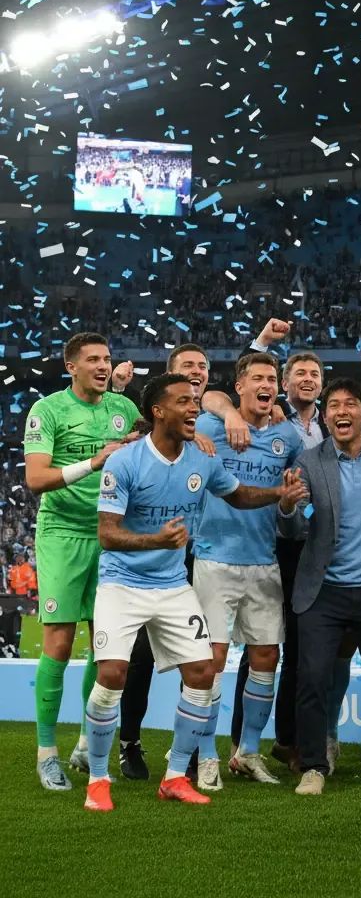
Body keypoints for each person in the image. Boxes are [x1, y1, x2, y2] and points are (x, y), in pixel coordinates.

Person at [82, 373, 305, 811]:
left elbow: (238, 495)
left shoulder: (202, 460)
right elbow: (107, 534)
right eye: (183, 402)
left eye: (195, 402)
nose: (193, 409)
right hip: (123, 583)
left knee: (202, 672)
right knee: (112, 674)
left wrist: (278, 492)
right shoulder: (124, 462)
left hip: (171, 585)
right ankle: (97, 778)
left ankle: (175, 776)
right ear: (157, 411)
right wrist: (156, 540)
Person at [279, 377, 361, 796]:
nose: (341, 411)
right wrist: (288, 508)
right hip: (324, 590)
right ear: (325, 417)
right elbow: (296, 527)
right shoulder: (309, 461)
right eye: (333, 405)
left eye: (350, 404)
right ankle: (314, 765)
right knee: (312, 678)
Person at [23, 332, 141, 791]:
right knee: (58, 642)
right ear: (71, 366)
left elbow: (153, 433)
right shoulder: (48, 410)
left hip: (110, 533)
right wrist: (93, 462)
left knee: (104, 643)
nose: (102, 365)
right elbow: (36, 479)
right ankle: (46, 753)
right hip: (62, 533)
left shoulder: (123, 407)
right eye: (92, 359)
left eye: (107, 358)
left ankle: (86, 744)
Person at [191, 352, 303, 790]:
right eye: (257, 378)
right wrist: (223, 410)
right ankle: (205, 754)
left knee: (266, 657)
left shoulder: (287, 435)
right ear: (239, 386)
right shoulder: (209, 425)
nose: (266, 385)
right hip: (214, 557)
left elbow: (295, 492)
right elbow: (203, 400)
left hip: (263, 559)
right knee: (213, 661)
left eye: (272, 379)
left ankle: (248, 751)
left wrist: (290, 502)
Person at [115, 342, 213, 781]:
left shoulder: (214, 418)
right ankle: (129, 742)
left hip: (202, 556)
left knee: (197, 656)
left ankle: (188, 751)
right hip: (150, 561)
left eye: (203, 367)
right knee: (140, 658)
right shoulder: (146, 435)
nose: (197, 372)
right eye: (187, 366)